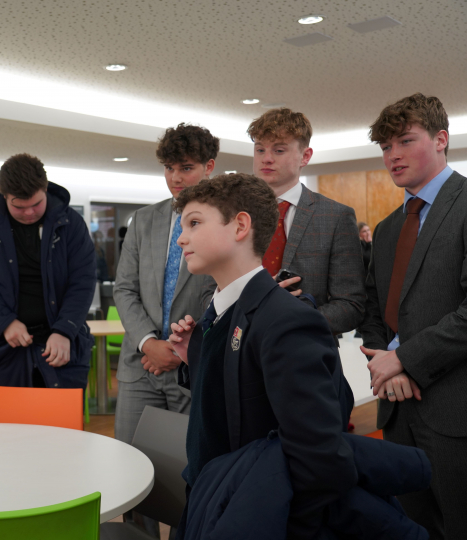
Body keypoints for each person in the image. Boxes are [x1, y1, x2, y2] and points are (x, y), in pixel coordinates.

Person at [168, 173, 356, 538]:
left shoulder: (288, 320)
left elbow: (319, 457)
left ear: (240, 226)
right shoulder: (220, 313)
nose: (182, 238)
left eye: (194, 223)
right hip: (210, 500)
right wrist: (201, 360)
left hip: (254, 515)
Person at [360, 93, 467, 540]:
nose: (393, 156)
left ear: (441, 139)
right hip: (396, 409)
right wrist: (387, 359)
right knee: (410, 527)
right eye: (386, 147)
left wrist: (405, 360)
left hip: (454, 411)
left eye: (405, 141)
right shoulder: (386, 229)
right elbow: (373, 311)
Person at [112, 123, 216, 535]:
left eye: (186, 167)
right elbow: (124, 288)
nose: (175, 177)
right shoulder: (144, 220)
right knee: (130, 473)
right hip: (140, 365)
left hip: (190, 365)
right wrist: (148, 343)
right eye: (169, 168)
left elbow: (222, 292)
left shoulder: (223, 223)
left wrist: (178, 348)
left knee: (186, 474)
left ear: (208, 167)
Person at [0, 153, 95, 390]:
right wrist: (5, 323)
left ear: (45, 188)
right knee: (7, 427)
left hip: (61, 347)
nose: (29, 213)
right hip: (2, 348)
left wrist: (65, 330)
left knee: (61, 427)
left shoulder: (71, 223)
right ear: (4, 194)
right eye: (19, 206)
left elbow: (83, 281)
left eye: (37, 204)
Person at [248, 108, 365, 334]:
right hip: (239, 350)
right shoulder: (232, 213)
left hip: (306, 351)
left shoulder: (335, 217)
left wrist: (294, 320)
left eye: (279, 150)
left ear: (305, 156)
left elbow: (351, 305)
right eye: (260, 149)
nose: (267, 158)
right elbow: (210, 290)